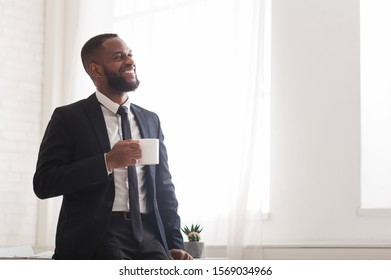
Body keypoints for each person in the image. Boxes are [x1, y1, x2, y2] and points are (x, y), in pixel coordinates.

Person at [33, 33, 192, 260]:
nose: (129, 61)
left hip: (150, 236)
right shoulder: (69, 118)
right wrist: (107, 161)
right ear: (96, 70)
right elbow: (44, 183)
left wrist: (175, 242)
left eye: (129, 54)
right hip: (99, 237)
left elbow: (163, 187)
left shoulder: (150, 120)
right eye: (118, 57)